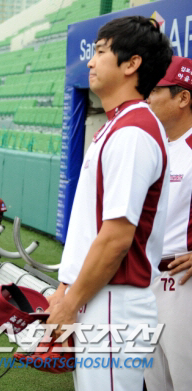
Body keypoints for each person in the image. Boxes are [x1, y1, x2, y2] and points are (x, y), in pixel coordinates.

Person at [45, 16, 172, 390]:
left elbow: (116, 238)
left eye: (100, 52)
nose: (90, 61)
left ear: (132, 64)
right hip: (98, 295)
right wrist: (66, 289)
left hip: (115, 300)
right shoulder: (119, 125)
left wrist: (71, 303)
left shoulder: (133, 131)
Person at [144, 56, 192, 391]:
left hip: (184, 281)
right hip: (148, 279)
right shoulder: (158, 145)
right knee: (154, 380)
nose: (146, 95)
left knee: (185, 377)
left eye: (155, 89)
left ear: (183, 97)